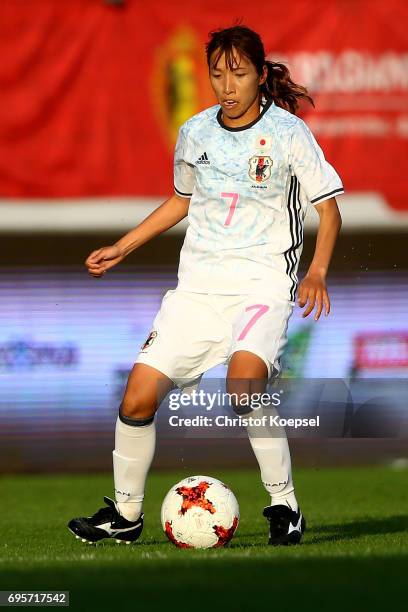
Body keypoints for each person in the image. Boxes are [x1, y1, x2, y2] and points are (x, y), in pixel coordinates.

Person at [68, 25, 343, 546]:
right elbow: (181, 200)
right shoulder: (196, 132)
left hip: (261, 286)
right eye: (217, 74)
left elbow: (328, 210)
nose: (226, 85)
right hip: (196, 291)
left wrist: (317, 271)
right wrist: (123, 247)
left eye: (237, 74)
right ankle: (125, 516)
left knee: (243, 389)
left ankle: (284, 506)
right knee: (136, 399)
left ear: (261, 75)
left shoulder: (288, 133)